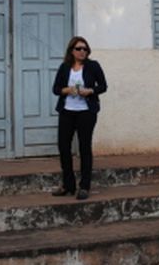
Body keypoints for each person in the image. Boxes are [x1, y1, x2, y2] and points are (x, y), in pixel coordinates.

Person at [51, 36, 108, 200]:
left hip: (86, 112)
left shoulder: (93, 66)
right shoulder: (64, 67)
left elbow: (103, 86)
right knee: (63, 147)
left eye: (85, 49)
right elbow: (56, 89)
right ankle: (68, 185)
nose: (82, 51)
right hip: (67, 111)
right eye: (79, 49)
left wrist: (90, 91)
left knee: (84, 148)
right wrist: (67, 90)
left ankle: (84, 186)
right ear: (72, 51)